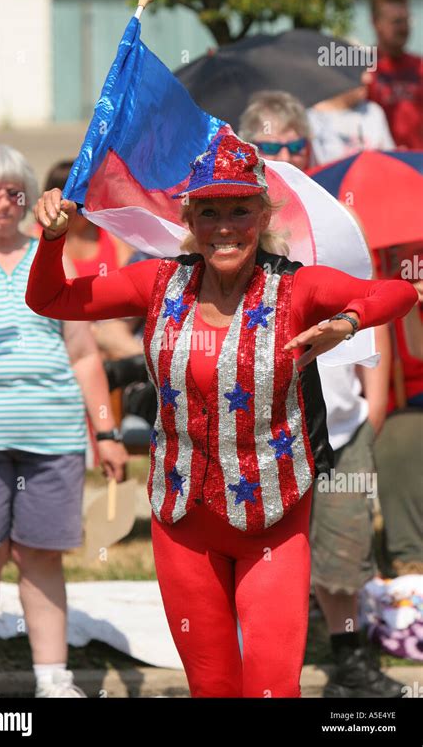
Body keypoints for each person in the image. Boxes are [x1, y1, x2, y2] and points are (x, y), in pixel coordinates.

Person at [26, 132, 417, 698]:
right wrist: (52, 237)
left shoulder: (296, 287)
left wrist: (348, 323)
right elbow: (52, 299)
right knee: (212, 687)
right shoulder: (159, 282)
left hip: (274, 522)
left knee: (269, 688)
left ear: (262, 214)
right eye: (209, 211)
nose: (225, 225)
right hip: (181, 519)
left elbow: (396, 294)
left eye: (240, 209)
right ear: (189, 216)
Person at [240, 92, 406, 696]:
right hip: (263, 425)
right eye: (269, 146)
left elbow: (373, 311)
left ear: (310, 149)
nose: (284, 155)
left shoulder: (338, 218)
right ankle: (254, 664)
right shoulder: (234, 226)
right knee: (258, 553)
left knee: (344, 551)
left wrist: (374, 408)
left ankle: (348, 658)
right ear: (246, 152)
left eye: (294, 145)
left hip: (339, 419)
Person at [0, 145, 128, 698]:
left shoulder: (50, 258)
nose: (3, 202)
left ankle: (53, 678)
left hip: (52, 437)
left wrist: (105, 431)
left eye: (14, 191)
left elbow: (83, 353)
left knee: (42, 555)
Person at [367, 0, 423, 149]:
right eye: (396, 21)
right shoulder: (362, 68)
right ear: (376, 23)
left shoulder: (419, 66)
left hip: (418, 163)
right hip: (381, 163)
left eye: (406, 21)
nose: (403, 28)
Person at [307, 74, 395, 165]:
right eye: (358, 71)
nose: (368, 79)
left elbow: (390, 157)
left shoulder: (373, 111)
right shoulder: (312, 118)